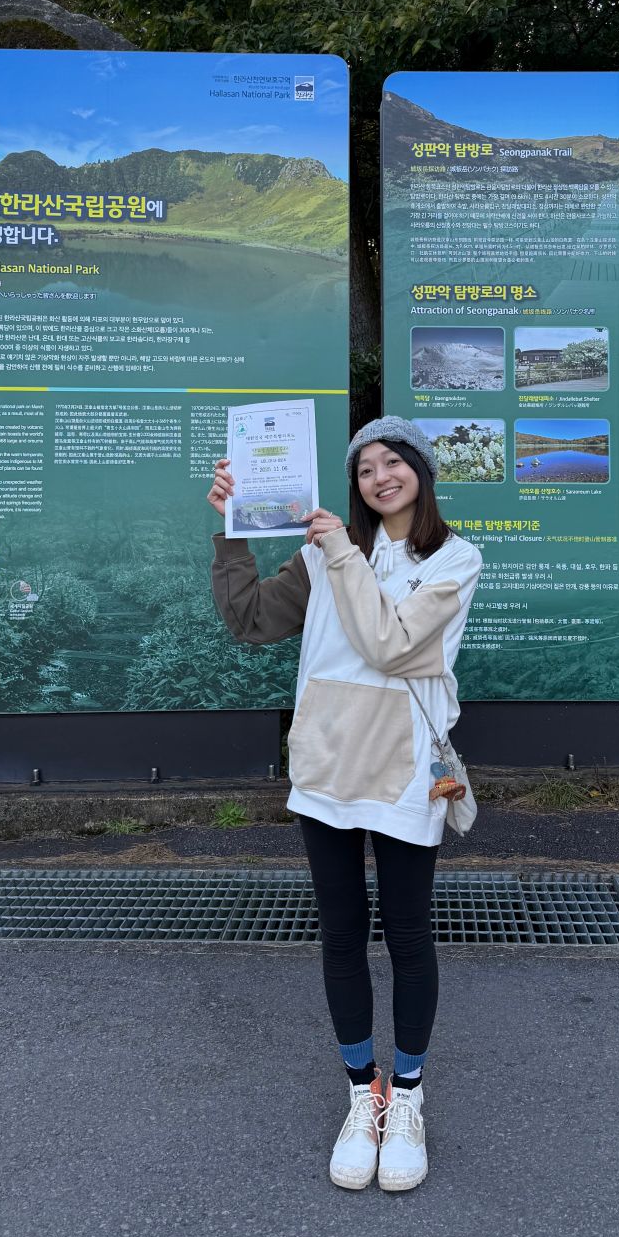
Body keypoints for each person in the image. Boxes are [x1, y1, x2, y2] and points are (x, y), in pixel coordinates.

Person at [207, 415, 482, 1192]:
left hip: (401, 769)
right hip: (325, 764)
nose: (380, 477)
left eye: (395, 463)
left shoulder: (454, 561)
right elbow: (251, 620)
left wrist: (336, 550)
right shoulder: (326, 551)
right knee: (340, 933)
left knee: (408, 934)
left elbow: (391, 645)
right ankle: (364, 1094)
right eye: (365, 469)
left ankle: (412, 1097)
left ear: (422, 475)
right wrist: (231, 532)